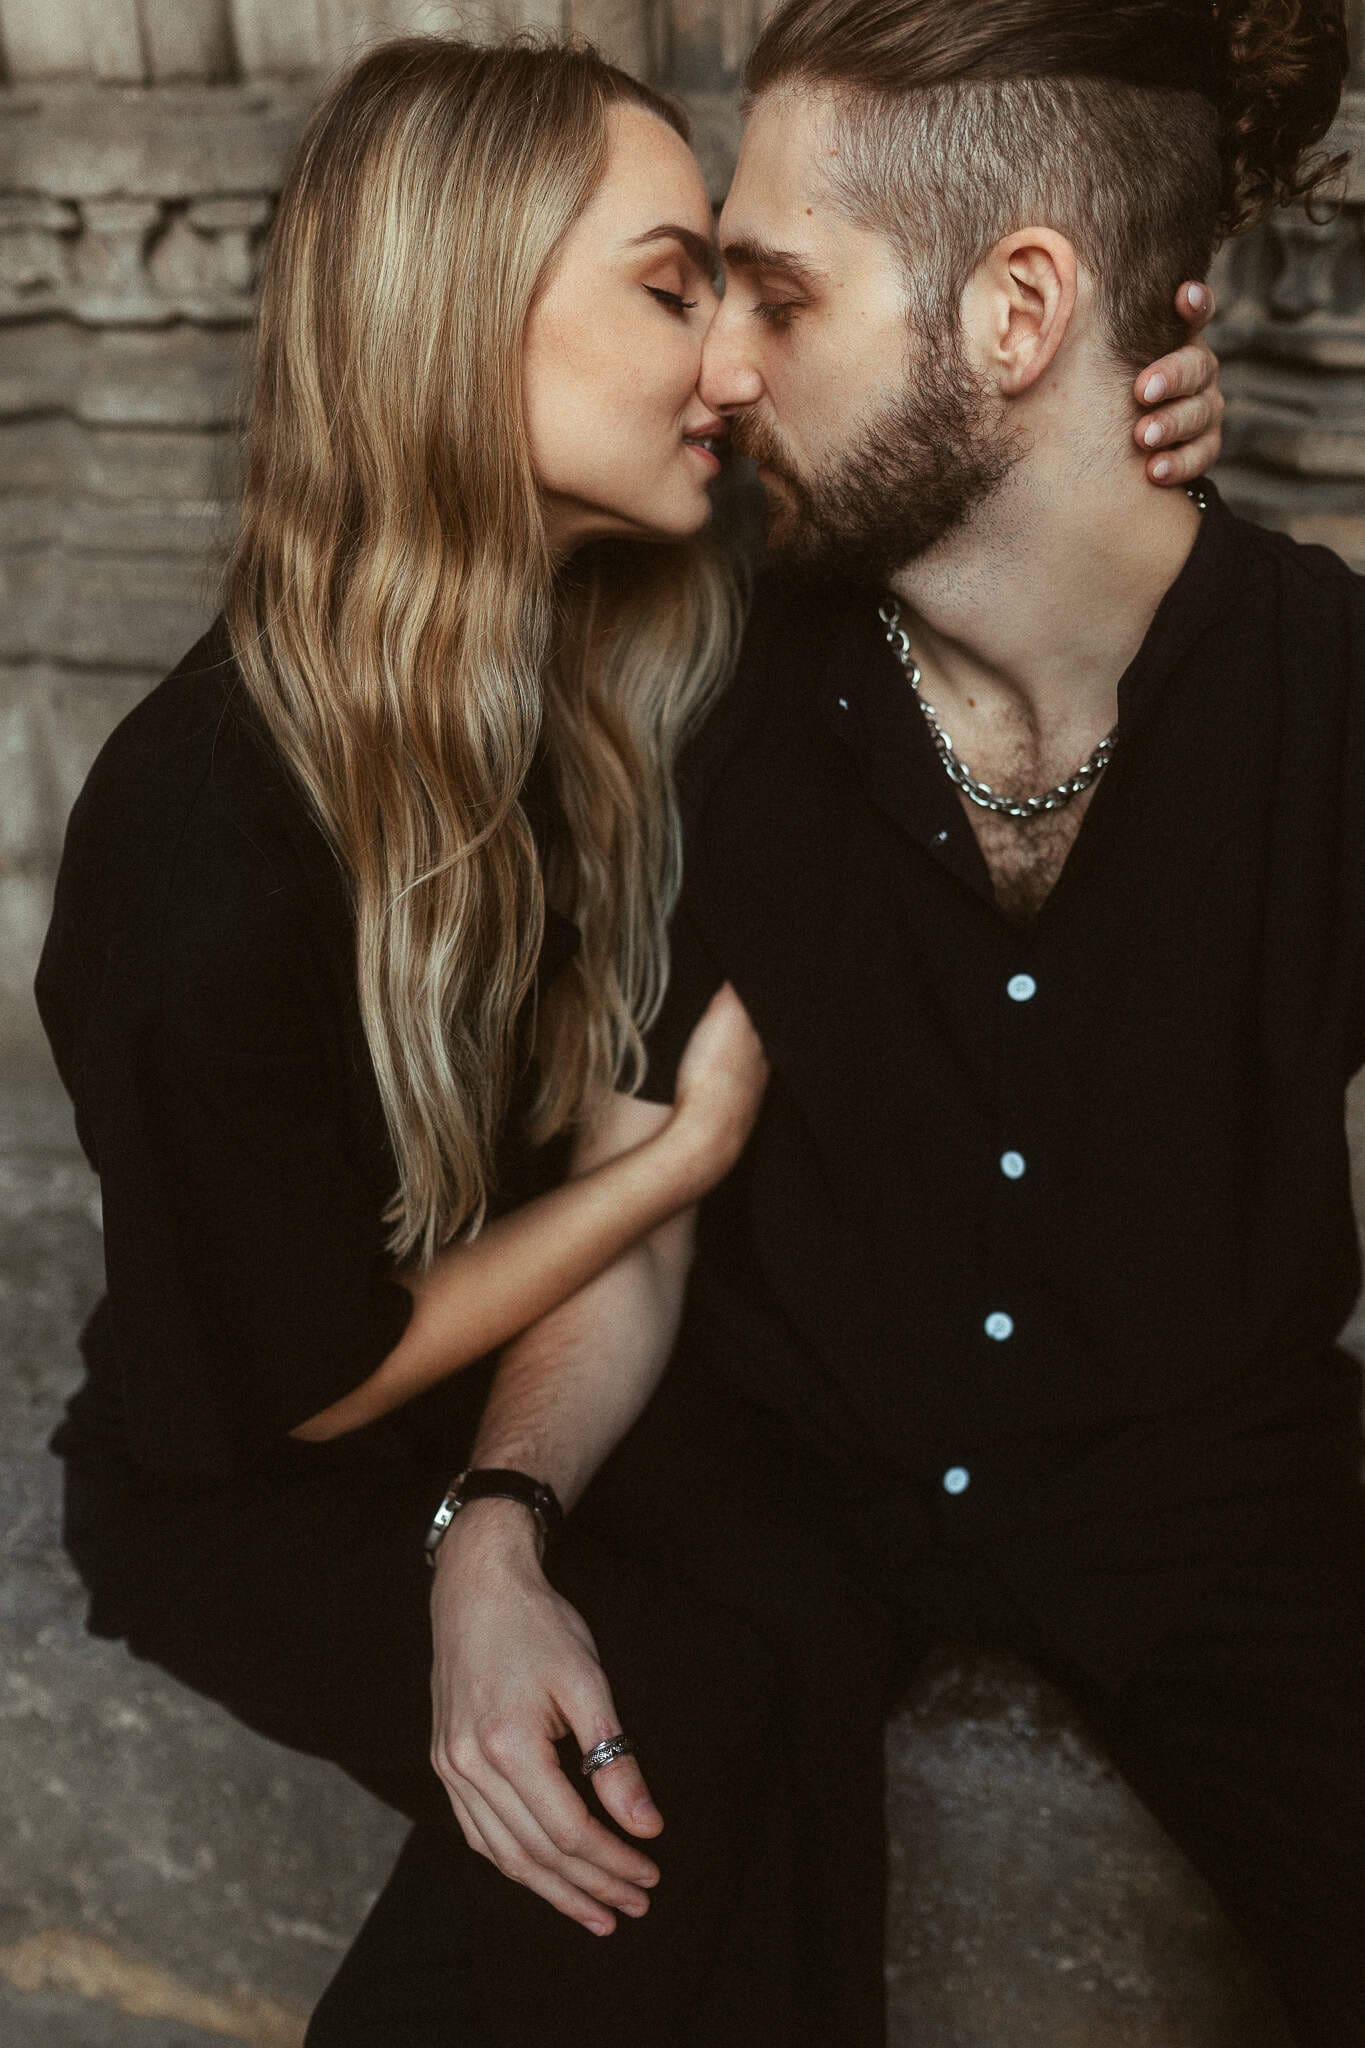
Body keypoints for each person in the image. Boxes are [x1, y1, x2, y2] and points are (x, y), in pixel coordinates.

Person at [33, 23, 1221, 2048]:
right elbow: (293, 1385)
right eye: (672, 288)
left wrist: (1098, 426)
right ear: (456, 316)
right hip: (257, 1453)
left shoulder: (666, 644)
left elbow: (962, 505)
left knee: (788, 1617)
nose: (731, 361)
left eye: (743, 295)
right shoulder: (198, 835)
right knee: (642, 1731)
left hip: (543, 1365)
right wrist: (663, 1174)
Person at [309, 3, 1360, 2045]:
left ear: (1019, 307)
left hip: (1213, 1507)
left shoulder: (1323, 703)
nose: (714, 362)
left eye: (775, 291)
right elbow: (637, 1202)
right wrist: (498, 1529)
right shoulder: (707, 671)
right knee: (512, 1959)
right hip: (771, 1480)